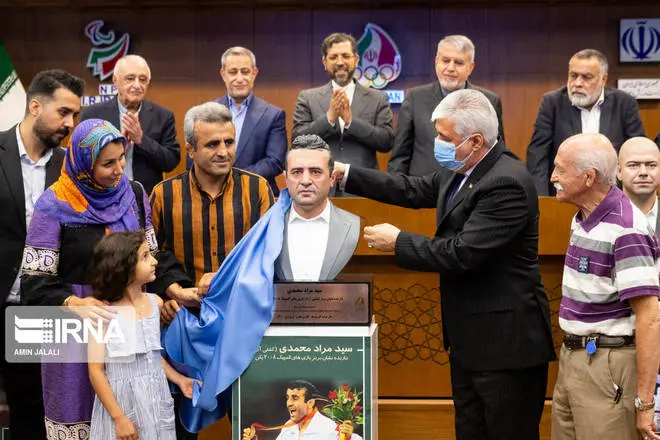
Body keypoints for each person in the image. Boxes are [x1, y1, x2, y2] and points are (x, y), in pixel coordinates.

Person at [332, 89, 555, 439]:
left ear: (476, 141)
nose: (437, 143)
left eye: (444, 137)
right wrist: (344, 173)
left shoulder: (506, 182)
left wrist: (398, 242)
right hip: (469, 343)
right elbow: (411, 189)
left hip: (505, 347)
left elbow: (461, 253)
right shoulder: (461, 168)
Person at [20, 118, 156, 439]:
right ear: (83, 164)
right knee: (78, 414)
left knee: (130, 423)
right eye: (108, 163)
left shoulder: (134, 194)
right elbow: (34, 284)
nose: (119, 169)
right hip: (74, 335)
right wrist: (73, 302)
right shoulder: (53, 205)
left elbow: (150, 258)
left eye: (121, 158)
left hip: (126, 329)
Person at [149, 101, 273, 438]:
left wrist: (230, 282)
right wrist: (170, 294)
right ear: (190, 149)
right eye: (212, 144)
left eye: (229, 142)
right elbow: (150, 256)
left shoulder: (258, 189)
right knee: (181, 426)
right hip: (183, 326)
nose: (223, 151)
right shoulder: (163, 195)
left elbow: (269, 255)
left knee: (251, 424)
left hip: (243, 325)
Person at [549, 133, 660, 440]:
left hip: (608, 364)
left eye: (560, 169)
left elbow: (650, 317)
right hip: (573, 357)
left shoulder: (626, 229)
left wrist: (645, 403)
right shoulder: (583, 217)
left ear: (589, 177)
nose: (553, 177)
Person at [0, 68, 83, 439]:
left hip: (41, 310)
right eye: (63, 112)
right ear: (35, 106)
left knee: (32, 410)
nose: (70, 123)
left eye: (75, 115)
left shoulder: (70, 168)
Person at [87, 231, 198, 440]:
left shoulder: (156, 303)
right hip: (122, 406)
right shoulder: (102, 315)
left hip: (156, 400)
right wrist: (119, 418)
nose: (155, 261)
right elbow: (95, 372)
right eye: (145, 256)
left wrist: (180, 380)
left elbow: (151, 356)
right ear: (125, 267)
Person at [526, 48, 644, 196]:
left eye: (586, 77)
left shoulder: (624, 103)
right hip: (565, 194)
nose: (577, 83)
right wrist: (542, 200)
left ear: (603, 80)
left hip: (612, 194)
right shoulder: (553, 103)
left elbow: (637, 151)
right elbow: (537, 156)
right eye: (573, 76)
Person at [388, 34, 505, 176]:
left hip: (470, 187)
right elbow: (400, 157)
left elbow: (496, 155)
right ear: (436, 62)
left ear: (470, 67)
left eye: (458, 63)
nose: (450, 68)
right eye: (445, 61)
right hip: (422, 187)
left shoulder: (489, 101)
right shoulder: (414, 98)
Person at [292, 33, 393, 179]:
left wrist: (351, 122)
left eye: (345, 56)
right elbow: (297, 141)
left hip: (363, 184)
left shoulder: (378, 98)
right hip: (321, 183)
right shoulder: (307, 98)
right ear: (324, 62)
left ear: (356, 60)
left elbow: (386, 142)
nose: (340, 62)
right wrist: (329, 119)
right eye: (333, 57)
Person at [81, 54, 180, 195]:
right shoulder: (93, 114)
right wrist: (118, 150)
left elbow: (171, 162)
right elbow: (82, 159)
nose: (137, 85)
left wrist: (142, 140)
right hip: (103, 196)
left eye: (143, 79)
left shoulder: (163, 116)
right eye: (130, 78)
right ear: (115, 81)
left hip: (146, 197)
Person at [275, 134, 359, 281]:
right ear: (286, 179)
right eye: (297, 172)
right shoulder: (268, 226)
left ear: (332, 178)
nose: (305, 181)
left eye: (315, 172)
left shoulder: (353, 225)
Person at [242, 380, 361, 440]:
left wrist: (350, 436)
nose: (289, 403)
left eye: (295, 398)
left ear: (310, 403)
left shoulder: (328, 427)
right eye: (288, 398)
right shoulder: (288, 427)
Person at [618, 137, 660, 234]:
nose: (643, 172)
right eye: (633, 165)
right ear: (619, 172)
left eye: (651, 165)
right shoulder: (602, 220)